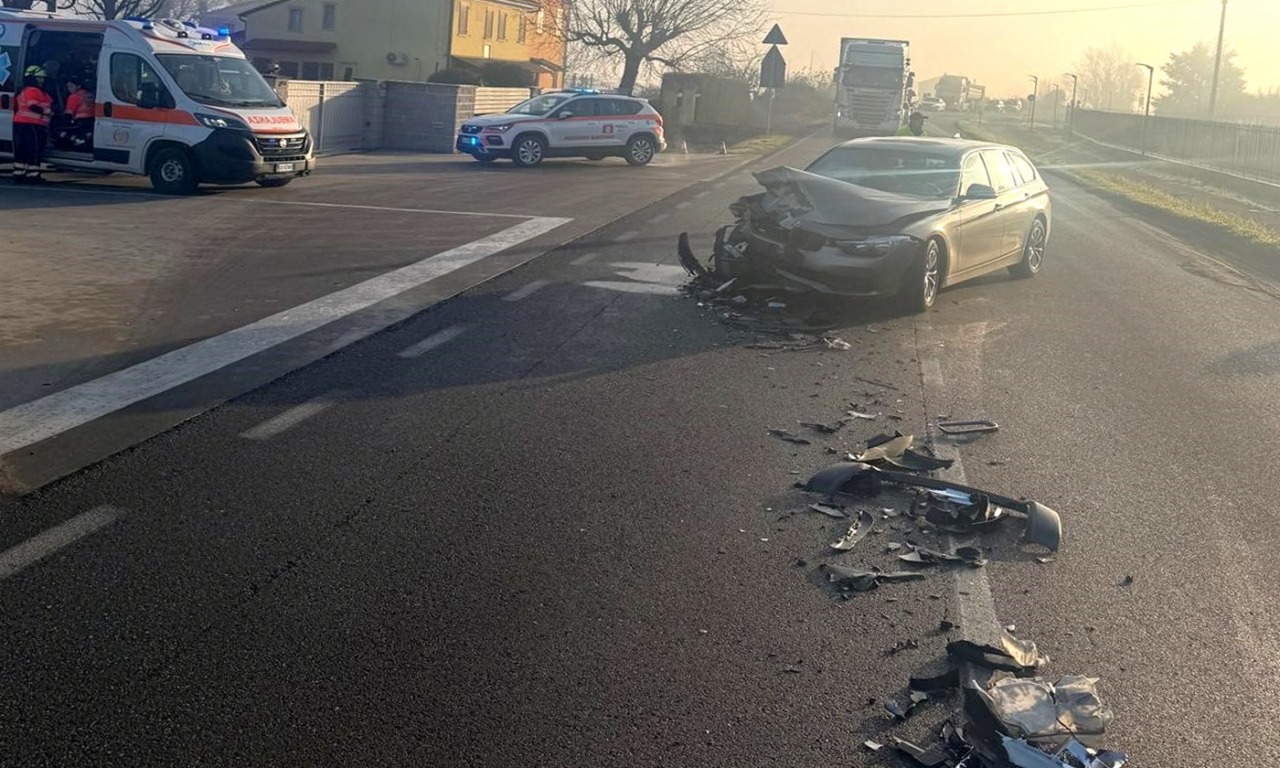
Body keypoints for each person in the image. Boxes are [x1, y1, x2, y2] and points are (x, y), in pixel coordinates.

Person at [13, 65, 54, 184]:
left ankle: (20, 174)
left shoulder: (27, 90)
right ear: (32, 78)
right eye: (39, 77)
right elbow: (33, 106)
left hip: (24, 123)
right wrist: (48, 112)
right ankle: (33, 175)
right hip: (32, 124)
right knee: (34, 149)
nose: (42, 80)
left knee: (23, 150)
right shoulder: (33, 90)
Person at [63, 74, 96, 150]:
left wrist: (64, 126)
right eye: (68, 87)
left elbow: (69, 113)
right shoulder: (90, 94)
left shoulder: (74, 96)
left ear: (78, 86)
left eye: (71, 86)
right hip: (92, 120)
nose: (69, 89)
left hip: (80, 122)